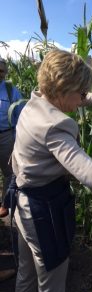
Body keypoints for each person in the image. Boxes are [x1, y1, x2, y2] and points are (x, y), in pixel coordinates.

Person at [9, 49, 92, 292]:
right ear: (64, 90)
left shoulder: (36, 101)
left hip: (21, 201)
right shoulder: (55, 127)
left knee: (26, 273)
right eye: (82, 93)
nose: (83, 100)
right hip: (42, 211)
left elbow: (72, 97)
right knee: (51, 285)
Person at [0, 57, 23, 218]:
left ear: (6, 72)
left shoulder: (11, 90)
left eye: (1, 70)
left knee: (9, 172)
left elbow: (20, 114)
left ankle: (4, 204)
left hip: (6, 135)